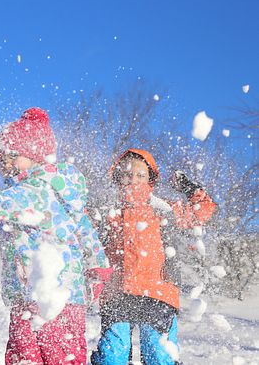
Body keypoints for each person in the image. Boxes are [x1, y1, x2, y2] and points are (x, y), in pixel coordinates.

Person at [0, 107, 110, 365]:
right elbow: (85, 229)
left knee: (47, 356)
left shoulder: (33, 191)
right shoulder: (50, 193)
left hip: (50, 298)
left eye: (12, 156)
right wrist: (98, 266)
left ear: (35, 155)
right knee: (31, 356)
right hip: (37, 296)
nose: (4, 163)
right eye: (1, 157)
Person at [90, 149, 216, 365]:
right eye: (128, 174)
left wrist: (190, 189)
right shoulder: (108, 212)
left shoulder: (163, 208)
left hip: (157, 292)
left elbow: (202, 211)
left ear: (150, 179)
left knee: (159, 355)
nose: (133, 179)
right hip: (117, 292)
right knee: (112, 356)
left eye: (140, 175)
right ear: (118, 177)